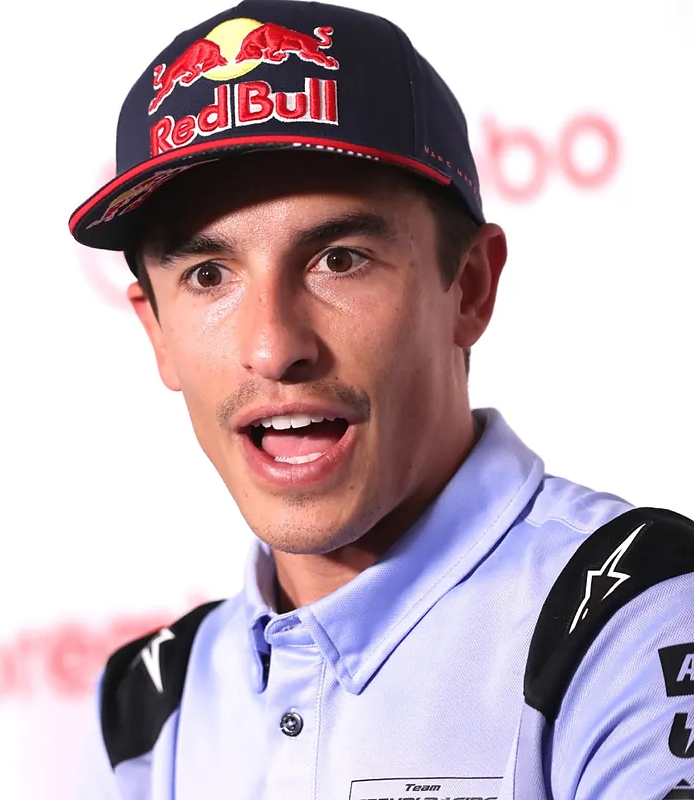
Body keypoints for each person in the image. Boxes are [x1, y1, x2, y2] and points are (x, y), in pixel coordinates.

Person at [65, 1, 694, 798]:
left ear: (470, 287)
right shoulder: (146, 710)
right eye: (209, 276)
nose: (274, 345)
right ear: (156, 331)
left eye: (339, 258)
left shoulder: (637, 622)